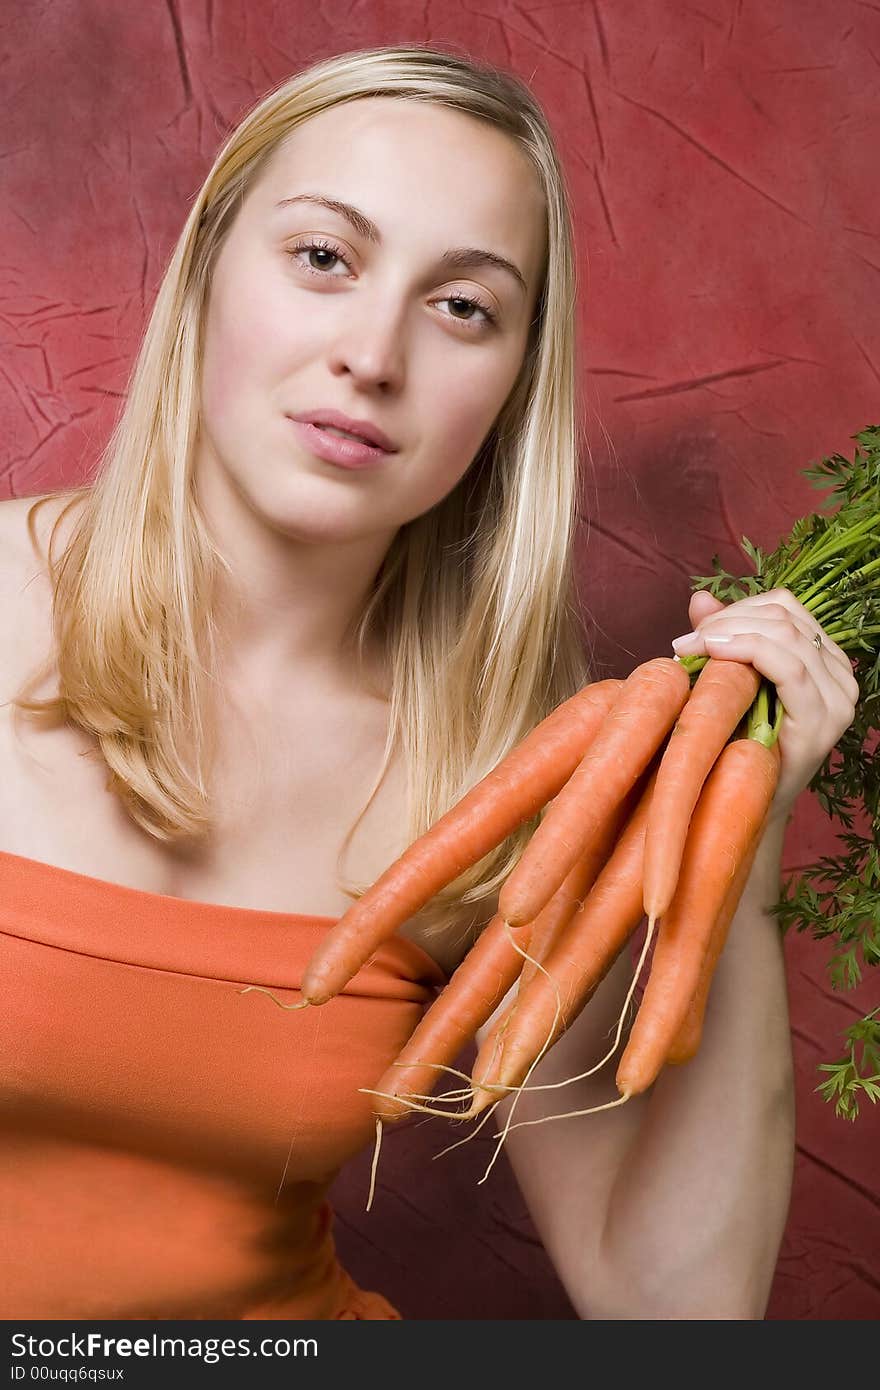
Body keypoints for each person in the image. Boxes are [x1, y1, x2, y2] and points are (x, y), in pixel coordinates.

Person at [0, 44, 859, 1321]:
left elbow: (672, 1308)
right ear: (202, 276)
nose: (373, 355)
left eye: (463, 306)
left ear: (511, 384)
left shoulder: (518, 760)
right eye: (323, 259)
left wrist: (737, 841)